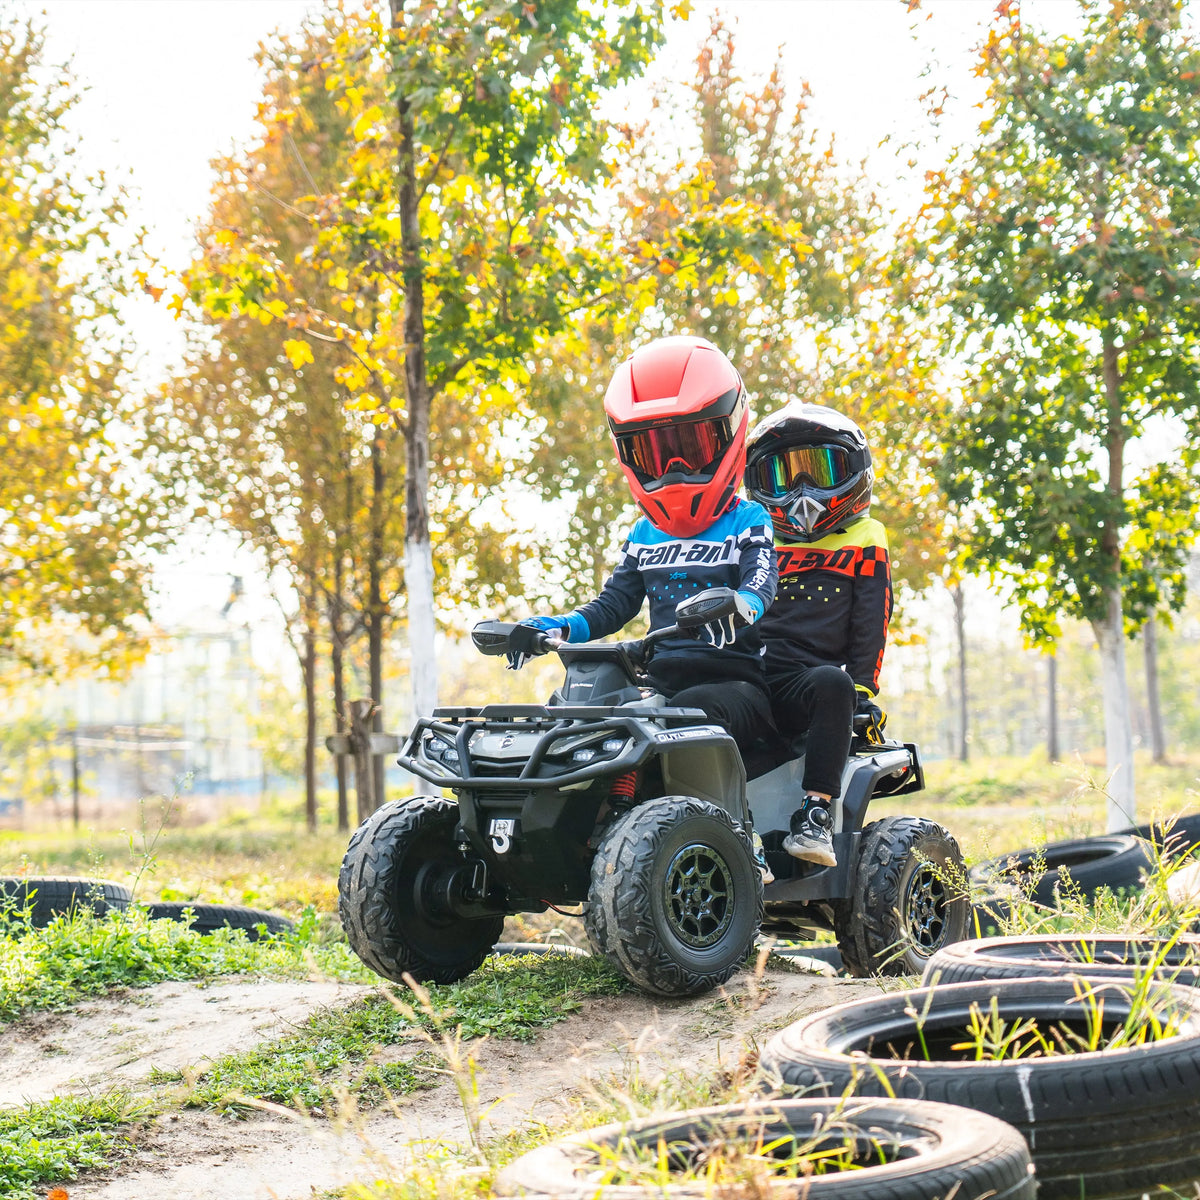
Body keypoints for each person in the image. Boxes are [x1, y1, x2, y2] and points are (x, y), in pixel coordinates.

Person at [508, 333, 779, 786]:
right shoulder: (643, 535)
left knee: (688, 714)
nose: (674, 468)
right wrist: (554, 627)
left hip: (736, 684)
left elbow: (761, 581)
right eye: (654, 453)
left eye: (691, 447)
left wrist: (742, 603)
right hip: (661, 682)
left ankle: (716, 824)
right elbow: (613, 606)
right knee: (572, 716)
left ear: (729, 433)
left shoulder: (749, 519)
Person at [742, 402, 892, 868]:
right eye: (784, 477)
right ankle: (734, 829)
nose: (802, 491)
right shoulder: (757, 539)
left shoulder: (865, 536)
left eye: (820, 470)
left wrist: (862, 690)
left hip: (806, 682)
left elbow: (871, 617)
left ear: (853, 471)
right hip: (748, 672)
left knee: (834, 683)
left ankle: (814, 816)